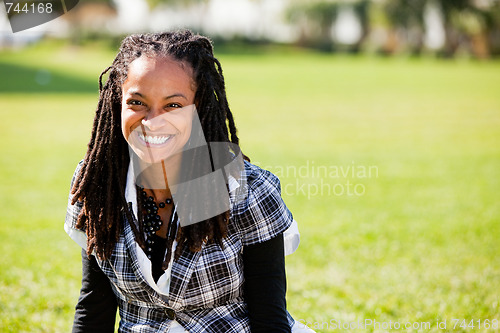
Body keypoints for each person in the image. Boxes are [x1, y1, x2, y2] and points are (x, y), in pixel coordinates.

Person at [65, 30, 314, 333]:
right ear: (118, 102)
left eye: (173, 105)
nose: (152, 120)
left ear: (199, 109)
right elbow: (93, 310)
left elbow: (270, 318)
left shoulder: (246, 190)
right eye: (137, 102)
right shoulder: (97, 186)